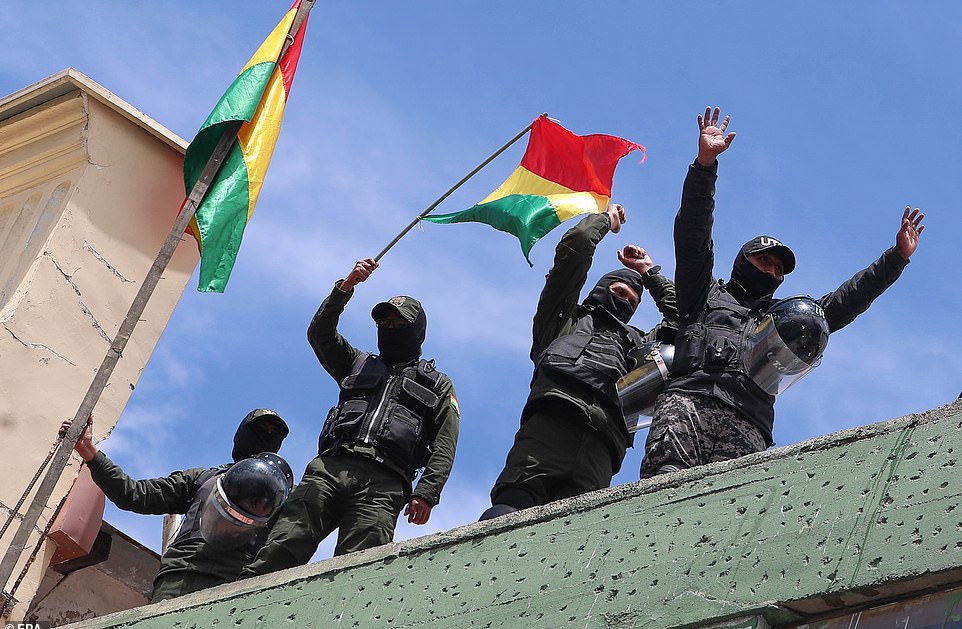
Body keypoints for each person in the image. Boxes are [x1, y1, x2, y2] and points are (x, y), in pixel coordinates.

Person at [640, 107, 926, 478]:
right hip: (687, 405)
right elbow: (693, 234)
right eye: (766, 262)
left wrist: (896, 259)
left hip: (748, 424)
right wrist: (705, 165)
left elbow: (843, 303)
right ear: (744, 261)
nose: (773, 271)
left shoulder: (784, 320)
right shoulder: (702, 296)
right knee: (662, 491)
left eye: (779, 268)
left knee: (726, 518)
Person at [241, 259, 459, 576]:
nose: (391, 329)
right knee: (282, 545)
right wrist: (345, 288)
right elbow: (320, 333)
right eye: (385, 324)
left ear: (417, 330)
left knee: (355, 571)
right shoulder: (356, 362)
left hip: (384, 483)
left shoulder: (438, 384)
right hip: (330, 468)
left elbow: (445, 442)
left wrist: (427, 492)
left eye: (400, 325)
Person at [480, 204, 678, 519]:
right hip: (551, 425)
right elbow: (574, 250)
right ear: (601, 289)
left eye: (632, 301)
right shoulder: (563, 320)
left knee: (574, 533)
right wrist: (603, 221)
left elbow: (684, 322)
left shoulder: (638, 344)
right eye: (619, 291)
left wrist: (649, 273)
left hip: (602, 447)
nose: (625, 301)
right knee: (508, 509)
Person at [66, 409, 291, 601]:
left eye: (273, 433)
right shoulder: (202, 479)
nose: (266, 436)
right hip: (176, 582)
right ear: (242, 434)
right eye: (260, 429)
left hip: (231, 589)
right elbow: (134, 494)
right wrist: (88, 450)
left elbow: (289, 546)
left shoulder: (280, 498)